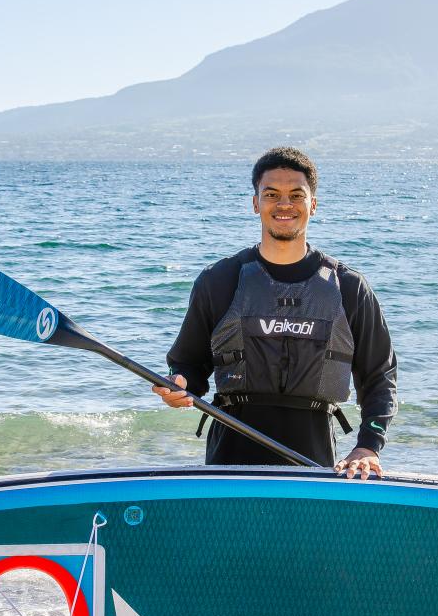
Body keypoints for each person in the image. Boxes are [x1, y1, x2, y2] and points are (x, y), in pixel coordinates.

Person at [152, 147, 397, 478]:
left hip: (314, 458)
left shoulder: (349, 287)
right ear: (256, 203)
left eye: (296, 195)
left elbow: (380, 375)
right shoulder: (219, 280)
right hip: (229, 458)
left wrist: (368, 446)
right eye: (271, 194)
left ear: (313, 204)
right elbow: (188, 365)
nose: (284, 204)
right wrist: (180, 385)